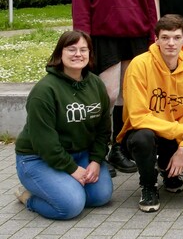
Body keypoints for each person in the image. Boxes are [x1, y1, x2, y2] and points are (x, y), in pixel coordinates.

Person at [72, 0, 157, 175]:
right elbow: (81, 3)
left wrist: (153, 35)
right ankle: (96, 151)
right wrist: (82, 39)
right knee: (106, 96)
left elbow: (148, 5)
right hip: (104, 37)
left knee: (127, 97)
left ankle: (118, 149)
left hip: (136, 37)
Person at [14, 31, 113, 220]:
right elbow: (45, 143)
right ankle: (28, 198)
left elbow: (103, 130)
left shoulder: (96, 84)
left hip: (81, 154)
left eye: (84, 50)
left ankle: (61, 186)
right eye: (71, 49)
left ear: (90, 55)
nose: (78, 54)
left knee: (101, 196)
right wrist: (73, 170)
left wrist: (95, 160)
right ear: (60, 54)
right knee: (70, 206)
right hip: (38, 158)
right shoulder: (44, 91)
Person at [117, 15, 183, 212]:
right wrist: (181, 132)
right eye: (165, 37)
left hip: (173, 136)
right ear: (156, 39)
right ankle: (148, 186)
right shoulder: (139, 65)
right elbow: (138, 116)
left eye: (177, 37)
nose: (171, 43)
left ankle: (169, 173)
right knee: (144, 137)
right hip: (139, 132)